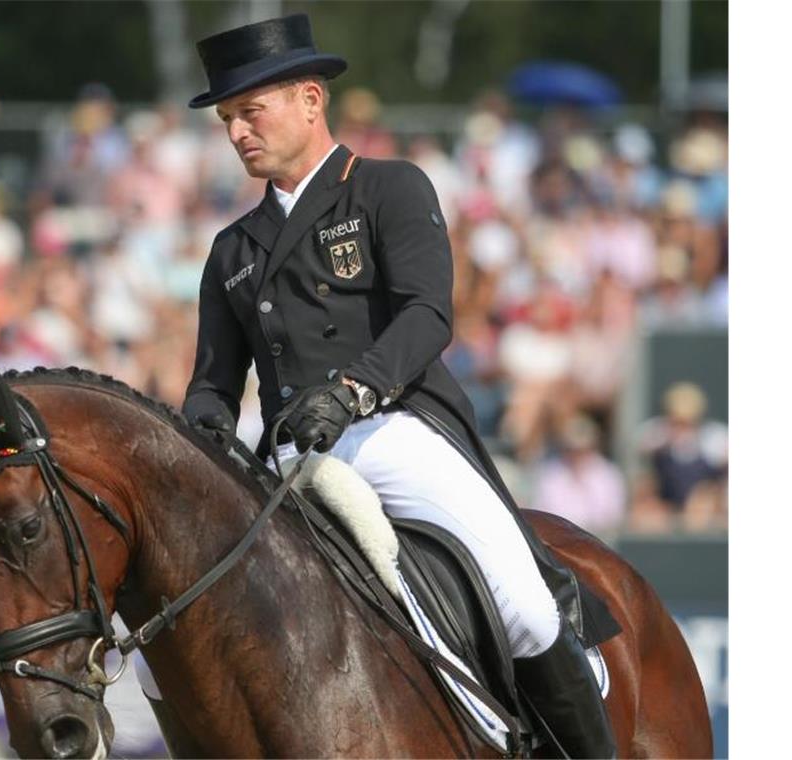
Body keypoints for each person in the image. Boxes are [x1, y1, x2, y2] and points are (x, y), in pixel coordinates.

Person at [179, 14, 616, 757]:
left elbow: (427, 315)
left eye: (249, 111)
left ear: (310, 100)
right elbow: (214, 383)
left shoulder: (384, 188)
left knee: (525, 609)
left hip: (391, 429)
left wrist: (352, 390)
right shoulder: (232, 249)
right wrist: (202, 430)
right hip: (287, 459)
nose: (235, 133)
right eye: (226, 119)